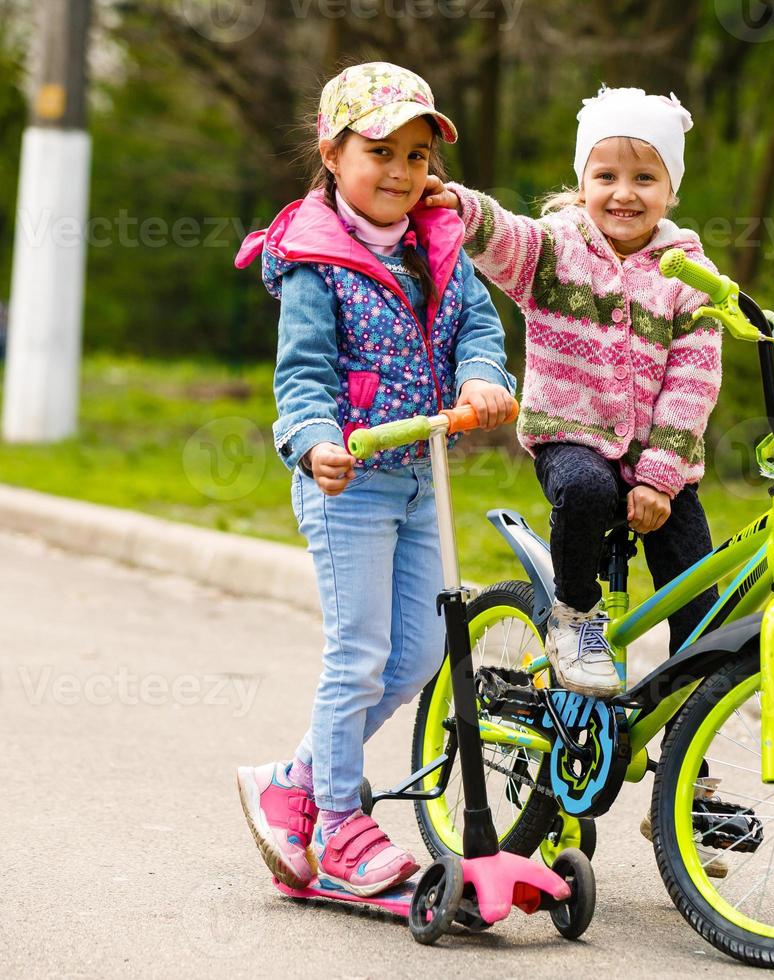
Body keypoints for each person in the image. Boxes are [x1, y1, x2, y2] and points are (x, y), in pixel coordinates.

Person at [232, 62, 516, 897]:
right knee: (357, 656)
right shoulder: (316, 260)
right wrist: (317, 441)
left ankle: (291, 783)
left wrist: (480, 377)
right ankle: (343, 820)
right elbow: (303, 378)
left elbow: (474, 325)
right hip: (347, 483)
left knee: (419, 653)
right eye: (379, 150)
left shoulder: (440, 243)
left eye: (417, 156)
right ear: (332, 150)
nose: (399, 172)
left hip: (424, 478)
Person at [425, 86, 723, 698]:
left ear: (672, 192)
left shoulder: (688, 275)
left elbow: (694, 381)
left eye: (645, 176)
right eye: (606, 174)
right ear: (583, 181)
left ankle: (691, 736)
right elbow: (503, 237)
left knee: (699, 595)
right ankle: (575, 614)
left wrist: (660, 476)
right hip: (572, 438)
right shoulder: (555, 249)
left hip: (658, 464)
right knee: (584, 490)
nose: (624, 192)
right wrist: (459, 205)